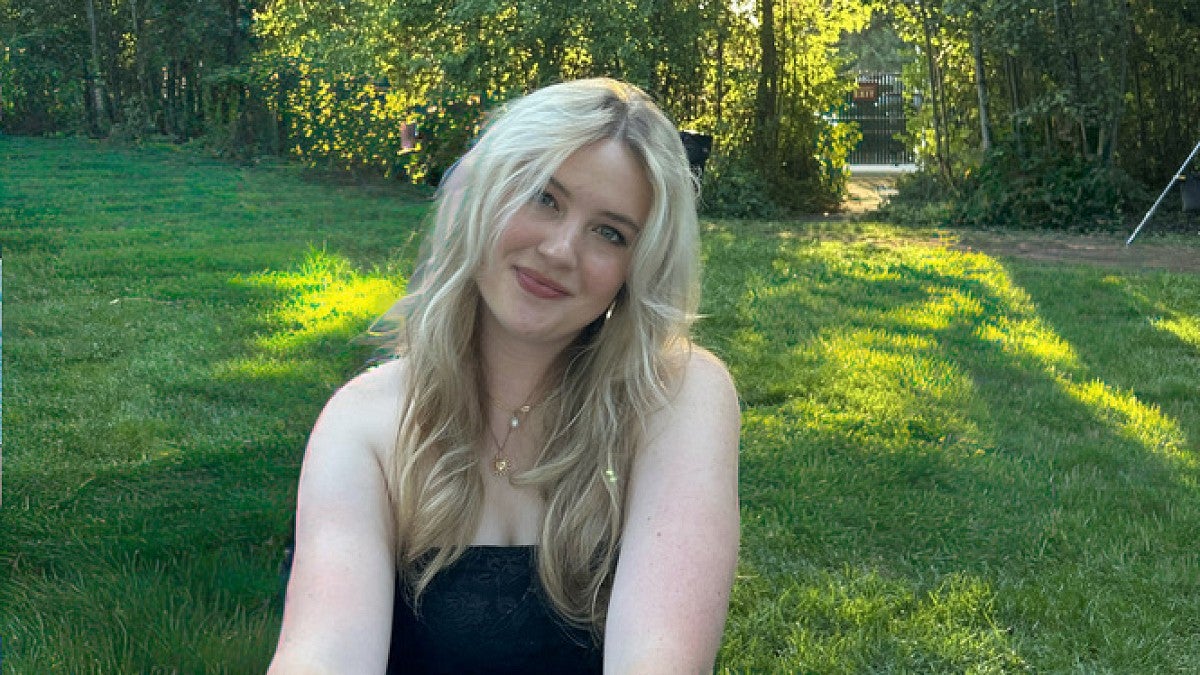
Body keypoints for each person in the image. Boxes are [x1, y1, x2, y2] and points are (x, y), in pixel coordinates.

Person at [268, 78, 740, 674]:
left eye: (610, 233)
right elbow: (322, 656)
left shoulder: (676, 395)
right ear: (488, 196)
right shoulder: (366, 422)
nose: (562, 249)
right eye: (544, 198)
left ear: (636, 269)